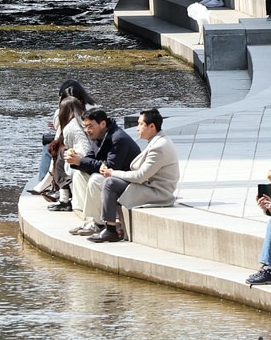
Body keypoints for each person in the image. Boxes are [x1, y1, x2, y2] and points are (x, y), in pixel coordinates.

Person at [87, 108, 179, 244]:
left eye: (140, 124)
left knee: (110, 183)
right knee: (112, 183)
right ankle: (113, 225)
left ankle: (111, 229)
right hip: (149, 185)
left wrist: (112, 172)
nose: (137, 128)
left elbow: (140, 176)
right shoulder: (158, 141)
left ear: (152, 126)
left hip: (158, 192)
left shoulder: (159, 146)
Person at [66, 107, 141, 237]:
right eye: (85, 127)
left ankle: (100, 223)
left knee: (95, 179)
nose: (87, 130)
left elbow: (110, 167)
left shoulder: (117, 139)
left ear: (103, 124)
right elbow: (90, 158)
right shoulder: (99, 136)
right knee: (79, 175)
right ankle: (90, 219)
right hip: (112, 178)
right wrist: (77, 160)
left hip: (127, 182)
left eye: (90, 126)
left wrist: (81, 161)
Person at [47, 94, 90, 213]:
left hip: (81, 161)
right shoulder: (85, 121)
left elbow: (72, 146)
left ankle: (64, 200)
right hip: (91, 159)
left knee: (61, 155)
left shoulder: (70, 127)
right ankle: (64, 199)